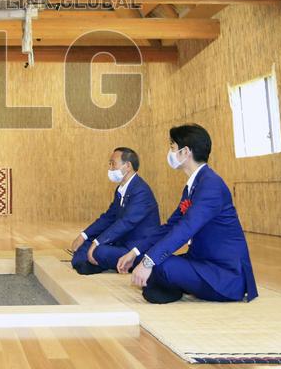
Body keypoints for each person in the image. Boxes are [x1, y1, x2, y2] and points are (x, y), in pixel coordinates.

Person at [117, 124, 258, 304]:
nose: (170, 152)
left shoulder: (211, 184)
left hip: (223, 274)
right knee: (153, 262)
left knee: (159, 266)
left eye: (172, 147)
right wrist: (135, 252)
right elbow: (170, 226)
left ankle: (175, 285)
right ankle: (175, 285)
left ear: (185, 152)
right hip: (201, 261)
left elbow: (186, 228)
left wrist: (148, 262)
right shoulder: (194, 185)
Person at [70, 147, 160, 275]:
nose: (110, 168)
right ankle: (96, 263)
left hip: (136, 249)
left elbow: (126, 222)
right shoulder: (121, 189)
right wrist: (83, 235)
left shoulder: (141, 191)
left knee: (98, 250)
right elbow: (109, 217)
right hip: (120, 242)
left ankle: (98, 262)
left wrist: (97, 243)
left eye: (113, 164)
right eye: (110, 164)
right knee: (85, 243)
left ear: (127, 166)